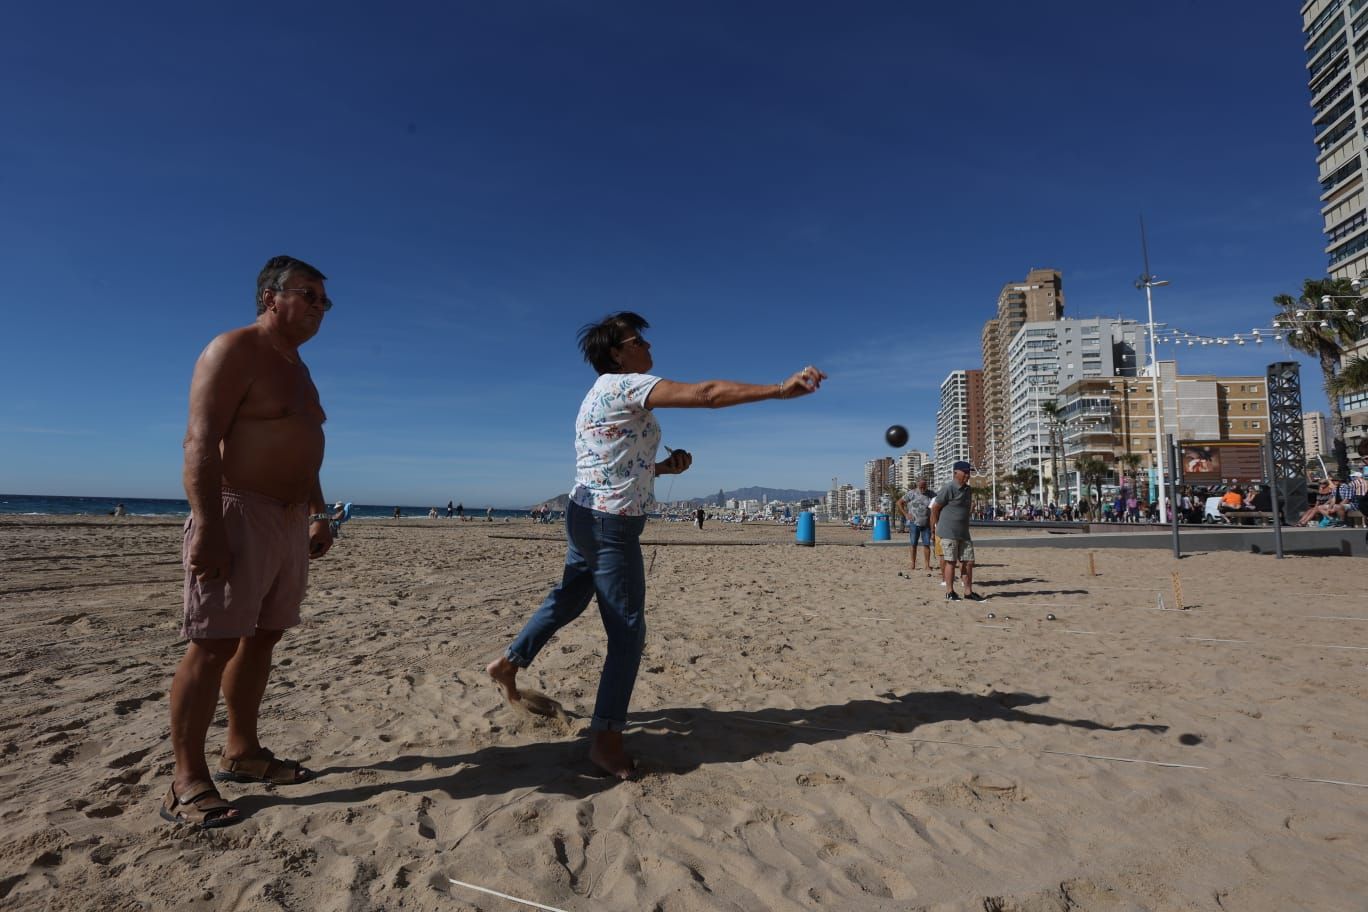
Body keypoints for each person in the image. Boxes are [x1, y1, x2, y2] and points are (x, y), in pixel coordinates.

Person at [486, 312, 825, 779]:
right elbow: (706, 395)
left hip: (584, 511)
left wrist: (665, 469)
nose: (648, 347)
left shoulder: (598, 396)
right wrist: (779, 390)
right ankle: (605, 742)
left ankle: (509, 663)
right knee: (627, 635)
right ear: (616, 353)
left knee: (569, 597)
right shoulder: (624, 386)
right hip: (609, 525)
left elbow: (613, 461)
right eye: (637, 340)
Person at [164, 255, 333, 830]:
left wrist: (317, 511)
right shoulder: (234, 349)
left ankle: (243, 752)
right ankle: (185, 780)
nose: (320, 307)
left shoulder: (300, 369)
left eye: (324, 300)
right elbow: (199, 441)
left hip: (288, 520)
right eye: (309, 295)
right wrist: (207, 525)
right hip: (237, 510)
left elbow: (303, 444)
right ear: (270, 297)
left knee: (264, 636)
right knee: (212, 643)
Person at [930, 461, 985, 603]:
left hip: (964, 532)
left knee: (969, 562)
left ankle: (968, 592)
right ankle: (950, 591)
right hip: (948, 532)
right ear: (956, 473)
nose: (968, 475)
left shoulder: (968, 489)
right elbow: (935, 508)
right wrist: (937, 526)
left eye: (969, 472)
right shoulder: (948, 488)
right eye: (965, 472)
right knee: (950, 562)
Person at [898, 478, 935, 576]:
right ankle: (913, 564)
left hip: (926, 523)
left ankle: (927, 565)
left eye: (924, 486)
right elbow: (899, 502)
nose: (922, 489)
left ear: (927, 485)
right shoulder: (912, 493)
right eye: (921, 486)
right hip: (914, 523)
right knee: (913, 544)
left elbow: (938, 504)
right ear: (918, 485)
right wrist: (906, 514)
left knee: (926, 544)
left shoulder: (931, 494)